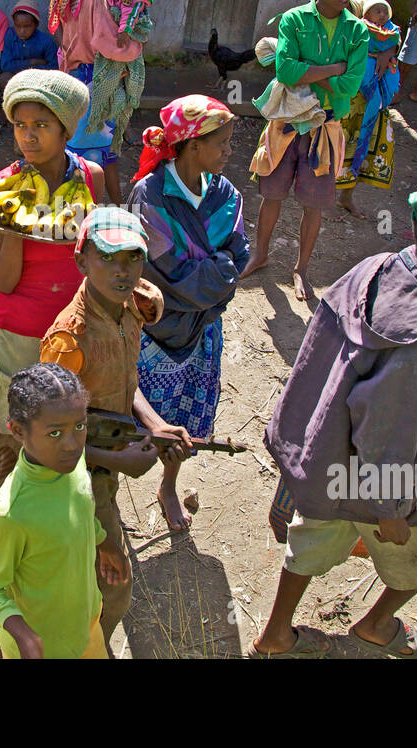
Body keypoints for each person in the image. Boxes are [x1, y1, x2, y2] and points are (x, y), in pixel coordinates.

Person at [254, 175, 417, 658]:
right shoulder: (416, 335)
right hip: (378, 480)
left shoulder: (375, 268)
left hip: (320, 459)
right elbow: (386, 430)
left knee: (312, 539)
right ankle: (378, 624)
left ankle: (276, 635)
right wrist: (389, 510)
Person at [0, 69, 104, 528]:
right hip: (12, 329)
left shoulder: (91, 178)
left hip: (68, 331)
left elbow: (96, 257)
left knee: (59, 422)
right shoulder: (1, 185)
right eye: (19, 125)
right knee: (6, 425)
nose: (28, 137)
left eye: (42, 126)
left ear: (67, 130)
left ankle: (49, 506)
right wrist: (10, 220)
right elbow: (5, 280)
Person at [40, 207, 193, 646]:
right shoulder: (69, 340)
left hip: (102, 469)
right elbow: (48, 443)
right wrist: (116, 460)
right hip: (75, 481)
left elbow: (124, 380)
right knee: (116, 588)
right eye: (108, 258)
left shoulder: (128, 309)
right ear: (81, 261)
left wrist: (154, 423)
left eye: (133, 258)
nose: (123, 270)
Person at [127, 96, 248, 531]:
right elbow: (158, 273)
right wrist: (211, 282)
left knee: (184, 422)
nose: (230, 152)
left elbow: (238, 256)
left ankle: (169, 485)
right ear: (193, 144)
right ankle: (105, 494)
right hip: (156, 330)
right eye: (223, 143)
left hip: (202, 331)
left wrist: (206, 288)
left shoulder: (225, 195)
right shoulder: (150, 196)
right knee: (140, 418)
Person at [0, 363, 130, 659]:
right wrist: (23, 633)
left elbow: (81, 508)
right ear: (18, 431)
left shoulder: (72, 464)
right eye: (55, 433)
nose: (72, 444)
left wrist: (105, 544)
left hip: (86, 628)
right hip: (43, 648)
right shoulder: (10, 514)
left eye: (79, 427)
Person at [242, 0, 369, 301]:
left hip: (324, 128)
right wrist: (332, 69)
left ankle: (301, 269)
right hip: (287, 124)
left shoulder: (356, 30)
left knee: (314, 205)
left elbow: (350, 87)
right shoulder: (294, 20)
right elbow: (286, 72)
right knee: (271, 196)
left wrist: (309, 70)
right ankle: (260, 253)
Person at [51, 0, 142, 204]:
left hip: (74, 77)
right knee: (96, 151)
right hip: (96, 79)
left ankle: (100, 204)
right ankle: (91, 211)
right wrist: (134, 48)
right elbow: (108, 43)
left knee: (86, 148)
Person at [81, 0, 150, 174]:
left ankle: (110, 135)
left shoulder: (131, 1)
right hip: (106, 56)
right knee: (109, 97)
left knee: (119, 96)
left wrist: (124, 32)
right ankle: (104, 135)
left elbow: (131, 20)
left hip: (123, 47)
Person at [335, 0, 401, 217]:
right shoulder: (342, 4)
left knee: (363, 145)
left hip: (375, 97)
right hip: (347, 93)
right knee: (336, 145)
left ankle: (346, 197)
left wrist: (387, 52)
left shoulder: (376, 14)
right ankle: (318, 198)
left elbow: (392, 41)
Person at [0, 0, 57, 90]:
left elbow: (53, 68)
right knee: (4, 78)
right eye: (18, 26)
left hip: (37, 79)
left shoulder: (45, 41)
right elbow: (5, 65)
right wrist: (33, 62)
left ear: (36, 24)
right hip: (15, 77)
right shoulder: (9, 35)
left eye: (27, 26)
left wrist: (30, 71)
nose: (22, 31)